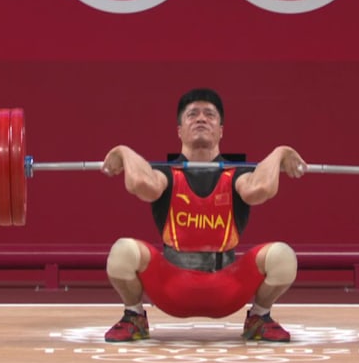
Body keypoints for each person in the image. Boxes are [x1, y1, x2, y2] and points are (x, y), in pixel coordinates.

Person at [100, 88, 305, 343]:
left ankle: (259, 318)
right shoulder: (165, 172)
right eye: (192, 114)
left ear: (221, 130)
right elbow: (141, 185)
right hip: (171, 288)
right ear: (179, 130)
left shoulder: (237, 174)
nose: (200, 118)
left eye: (209, 114)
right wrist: (123, 151)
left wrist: (280, 153)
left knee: (282, 257)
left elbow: (260, 190)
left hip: (227, 288)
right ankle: (134, 317)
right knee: (122, 252)